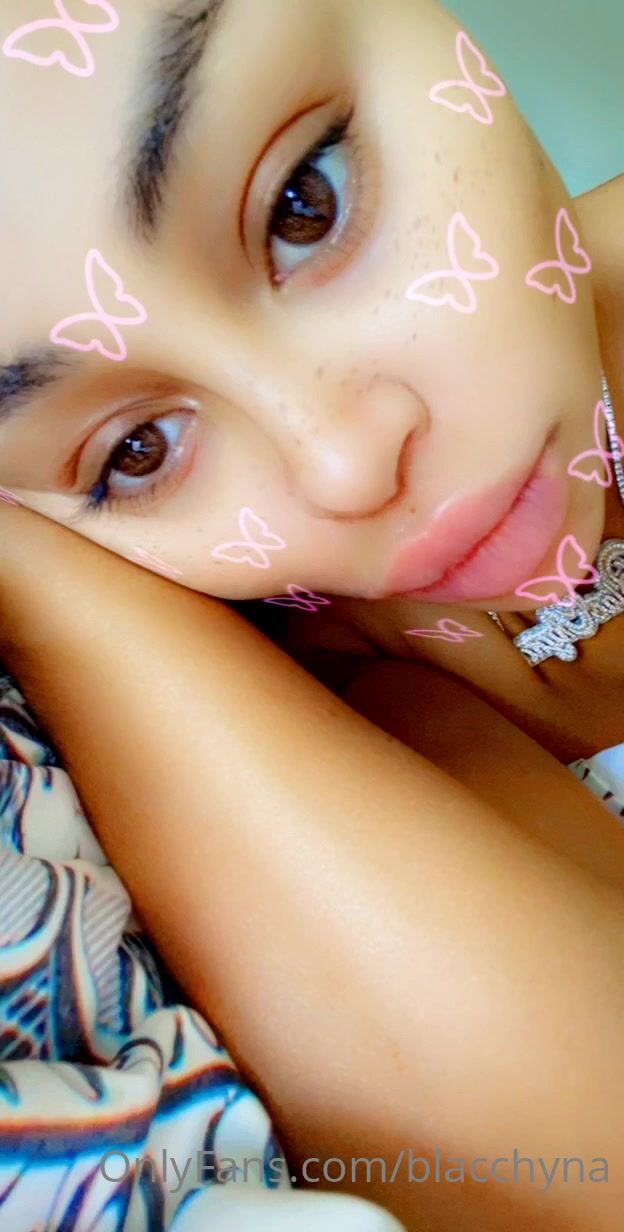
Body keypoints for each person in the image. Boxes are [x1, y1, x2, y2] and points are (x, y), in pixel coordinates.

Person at [0, 0, 623, 1228]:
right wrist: (53, 593)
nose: (343, 461)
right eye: (137, 451)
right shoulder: (347, 726)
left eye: (305, 203)